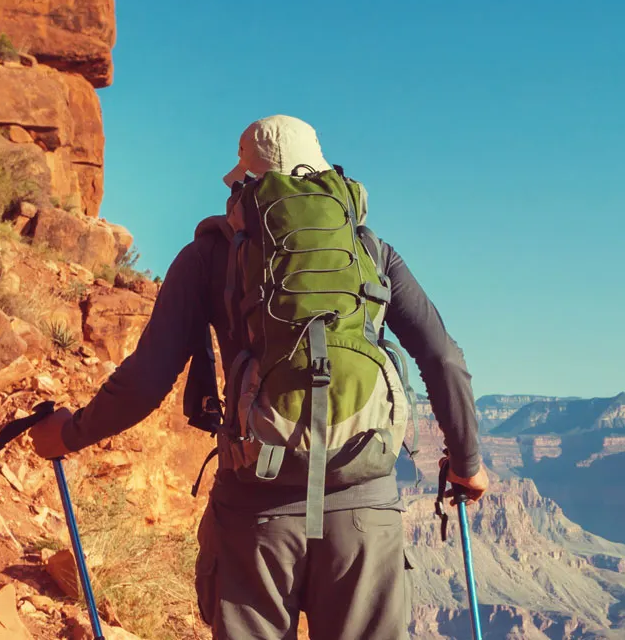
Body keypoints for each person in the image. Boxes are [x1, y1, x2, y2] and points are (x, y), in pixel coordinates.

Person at [29, 114, 489, 640]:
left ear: (248, 183)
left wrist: (69, 433)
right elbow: (444, 360)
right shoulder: (371, 253)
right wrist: (467, 463)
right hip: (363, 512)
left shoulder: (207, 256)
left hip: (254, 511)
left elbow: (147, 379)